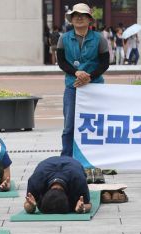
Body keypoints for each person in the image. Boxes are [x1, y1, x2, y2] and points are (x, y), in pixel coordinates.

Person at [56, 3, 109, 157]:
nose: (79, 18)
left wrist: (89, 77)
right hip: (72, 87)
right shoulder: (63, 39)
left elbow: (104, 63)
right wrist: (76, 73)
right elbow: (62, 62)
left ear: (89, 19)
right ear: (71, 19)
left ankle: (97, 157)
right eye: (75, 15)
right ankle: (66, 158)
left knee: (97, 125)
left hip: (95, 87)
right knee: (69, 126)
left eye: (83, 15)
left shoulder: (99, 39)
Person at [24, 156, 91, 214]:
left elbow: (88, 204)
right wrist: (31, 207)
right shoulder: (35, 181)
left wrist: (82, 208)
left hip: (73, 164)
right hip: (46, 165)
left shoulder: (78, 180)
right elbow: (27, 204)